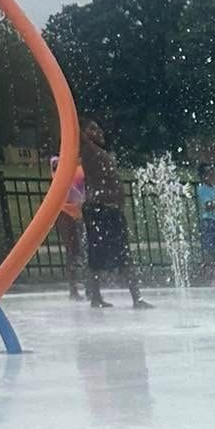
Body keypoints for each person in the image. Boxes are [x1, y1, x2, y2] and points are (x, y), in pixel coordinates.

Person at [78, 120, 149, 309]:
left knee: (123, 253)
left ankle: (134, 297)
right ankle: (99, 297)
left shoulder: (99, 152)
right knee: (97, 254)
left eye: (98, 127)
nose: (98, 130)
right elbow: (76, 132)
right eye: (92, 128)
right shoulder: (88, 149)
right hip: (99, 209)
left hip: (109, 209)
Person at [49, 152, 85, 299]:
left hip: (79, 211)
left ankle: (86, 286)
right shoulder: (58, 163)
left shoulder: (80, 168)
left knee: (80, 249)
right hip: (64, 211)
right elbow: (56, 166)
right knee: (71, 250)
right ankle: (73, 289)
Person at [195, 163, 215, 282]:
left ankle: (214, 273)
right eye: (209, 173)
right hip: (208, 221)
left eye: (213, 173)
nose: (212, 175)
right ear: (203, 176)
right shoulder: (202, 188)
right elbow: (208, 206)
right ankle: (208, 274)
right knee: (209, 249)